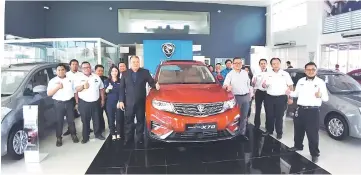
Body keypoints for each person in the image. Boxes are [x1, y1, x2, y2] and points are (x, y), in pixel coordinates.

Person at [286, 62, 328, 163]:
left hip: (313, 111)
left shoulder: (320, 82)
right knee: (298, 131)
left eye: (313, 69)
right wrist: (289, 93)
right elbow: (296, 93)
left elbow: (326, 98)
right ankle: (298, 146)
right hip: (300, 110)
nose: (310, 71)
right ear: (305, 71)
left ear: (316, 71)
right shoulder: (301, 81)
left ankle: (314, 153)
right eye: (308, 69)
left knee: (312, 134)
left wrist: (320, 95)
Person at [118, 55, 160, 145]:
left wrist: (156, 85)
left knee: (140, 121)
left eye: (137, 62)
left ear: (139, 62)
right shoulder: (125, 73)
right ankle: (128, 138)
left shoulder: (145, 72)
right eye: (134, 62)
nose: (136, 63)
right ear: (130, 63)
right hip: (128, 102)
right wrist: (121, 100)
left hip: (141, 101)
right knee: (128, 121)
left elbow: (151, 82)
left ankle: (139, 138)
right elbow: (121, 88)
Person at [47, 63, 79, 146]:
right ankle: (59, 138)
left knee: (71, 120)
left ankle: (73, 135)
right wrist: (57, 87)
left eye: (62, 70)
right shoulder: (53, 81)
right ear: (56, 71)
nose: (60, 71)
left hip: (69, 102)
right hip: (58, 103)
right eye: (59, 70)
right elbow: (49, 93)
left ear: (65, 71)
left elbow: (75, 92)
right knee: (59, 121)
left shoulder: (70, 80)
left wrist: (76, 102)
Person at [262, 58, 293, 139]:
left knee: (279, 116)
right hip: (269, 97)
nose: (276, 65)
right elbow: (263, 85)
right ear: (271, 65)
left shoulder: (285, 74)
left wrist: (290, 97)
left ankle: (279, 132)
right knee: (269, 115)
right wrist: (264, 85)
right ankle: (269, 130)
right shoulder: (267, 74)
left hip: (281, 98)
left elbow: (290, 86)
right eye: (274, 64)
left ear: (280, 64)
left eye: (277, 63)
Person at [75, 62, 106, 143]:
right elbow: (76, 90)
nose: (86, 69)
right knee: (85, 121)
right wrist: (82, 86)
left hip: (96, 102)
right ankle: (85, 137)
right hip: (84, 103)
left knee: (97, 119)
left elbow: (101, 89)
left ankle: (98, 134)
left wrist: (102, 100)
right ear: (81, 69)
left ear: (90, 68)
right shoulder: (78, 77)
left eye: (88, 67)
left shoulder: (96, 77)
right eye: (84, 67)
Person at [223, 57, 252, 141]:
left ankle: (242, 133)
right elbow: (224, 85)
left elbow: (248, 84)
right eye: (236, 63)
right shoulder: (230, 74)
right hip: (235, 98)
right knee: (235, 117)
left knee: (244, 116)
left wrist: (250, 94)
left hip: (246, 96)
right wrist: (227, 87)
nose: (238, 64)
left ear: (242, 64)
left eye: (239, 63)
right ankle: (233, 133)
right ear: (233, 64)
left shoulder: (245, 73)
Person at [63, 59, 85, 136]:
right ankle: (70, 129)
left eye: (76, 64)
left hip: (81, 96)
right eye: (73, 64)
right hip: (70, 97)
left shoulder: (81, 74)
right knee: (70, 114)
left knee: (83, 112)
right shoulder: (66, 74)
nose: (75, 66)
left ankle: (86, 127)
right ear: (70, 65)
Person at [104, 66, 122, 141]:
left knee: (118, 119)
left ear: (118, 72)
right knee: (111, 119)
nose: (114, 72)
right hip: (109, 103)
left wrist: (120, 101)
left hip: (118, 102)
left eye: (116, 71)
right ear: (110, 72)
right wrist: (108, 89)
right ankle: (113, 133)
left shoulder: (121, 80)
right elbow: (105, 92)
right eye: (113, 71)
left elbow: (122, 92)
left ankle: (118, 133)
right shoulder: (107, 81)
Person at [252, 59, 268, 129]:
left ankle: (268, 126)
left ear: (266, 64)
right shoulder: (256, 73)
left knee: (268, 110)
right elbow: (253, 84)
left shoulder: (270, 73)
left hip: (268, 93)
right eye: (261, 64)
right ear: (259, 65)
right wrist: (253, 83)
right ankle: (257, 125)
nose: (263, 65)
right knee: (258, 109)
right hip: (259, 92)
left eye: (264, 63)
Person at [95, 65, 107, 133]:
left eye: (102, 71)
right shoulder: (93, 78)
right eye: (99, 71)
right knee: (99, 115)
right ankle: (101, 128)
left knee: (108, 114)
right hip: (97, 100)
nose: (100, 72)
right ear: (95, 71)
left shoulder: (106, 78)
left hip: (106, 100)